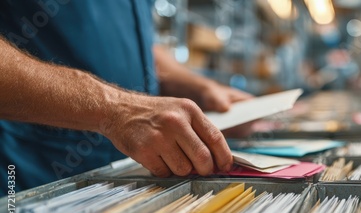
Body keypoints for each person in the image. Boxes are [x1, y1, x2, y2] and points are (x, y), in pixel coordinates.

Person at [0, 1, 252, 194]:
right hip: (30, 177)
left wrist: (200, 87)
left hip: (128, 178)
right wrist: (115, 110)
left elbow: (139, 44)